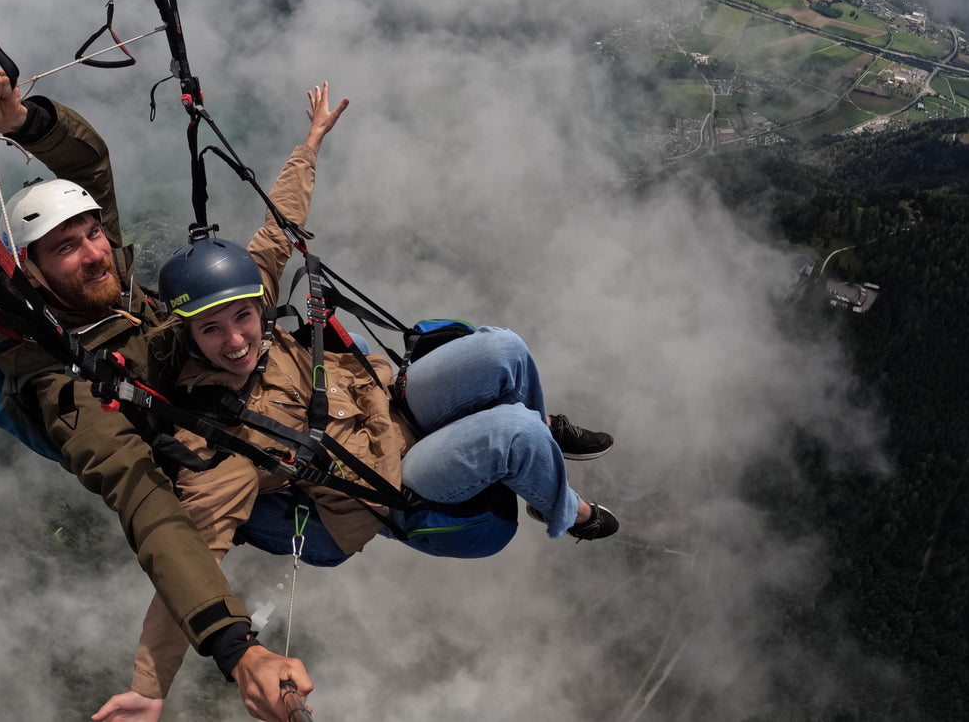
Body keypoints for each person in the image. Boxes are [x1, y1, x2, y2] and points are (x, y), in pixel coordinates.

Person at [93, 84, 617, 721]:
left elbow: (278, 223)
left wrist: (311, 141)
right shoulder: (219, 442)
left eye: (243, 319)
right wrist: (150, 687)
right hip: (400, 480)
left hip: (390, 402)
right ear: (189, 333)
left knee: (503, 349)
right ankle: (566, 510)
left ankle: (542, 446)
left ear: (256, 304)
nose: (235, 340)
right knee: (514, 436)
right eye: (212, 331)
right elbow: (187, 563)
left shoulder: (247, 293)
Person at [0, 67, 312, 722]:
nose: (94, 253)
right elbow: (146, 505)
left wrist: (17, 120)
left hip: (183, 369)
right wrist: (239, 650)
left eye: (92, 233)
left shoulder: (103, 275)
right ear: (30, 272)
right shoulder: (62, 389)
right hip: (188, 445)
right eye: (66, 247)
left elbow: (87, 161)